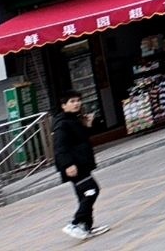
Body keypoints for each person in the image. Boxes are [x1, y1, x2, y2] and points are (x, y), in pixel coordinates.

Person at [53, 91, 108, 240]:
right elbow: (60, 147)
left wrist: (88, 126)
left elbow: (79, 140)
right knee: (91, 190)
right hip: (74, 165)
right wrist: (68, 164)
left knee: (83, 195)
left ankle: (86, 227)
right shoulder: (62, 123)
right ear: (64, 105)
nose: (77, 103)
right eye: (72, 101)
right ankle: (75, 223)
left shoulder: (74, 120)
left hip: (81, 163)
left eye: (78, 100)